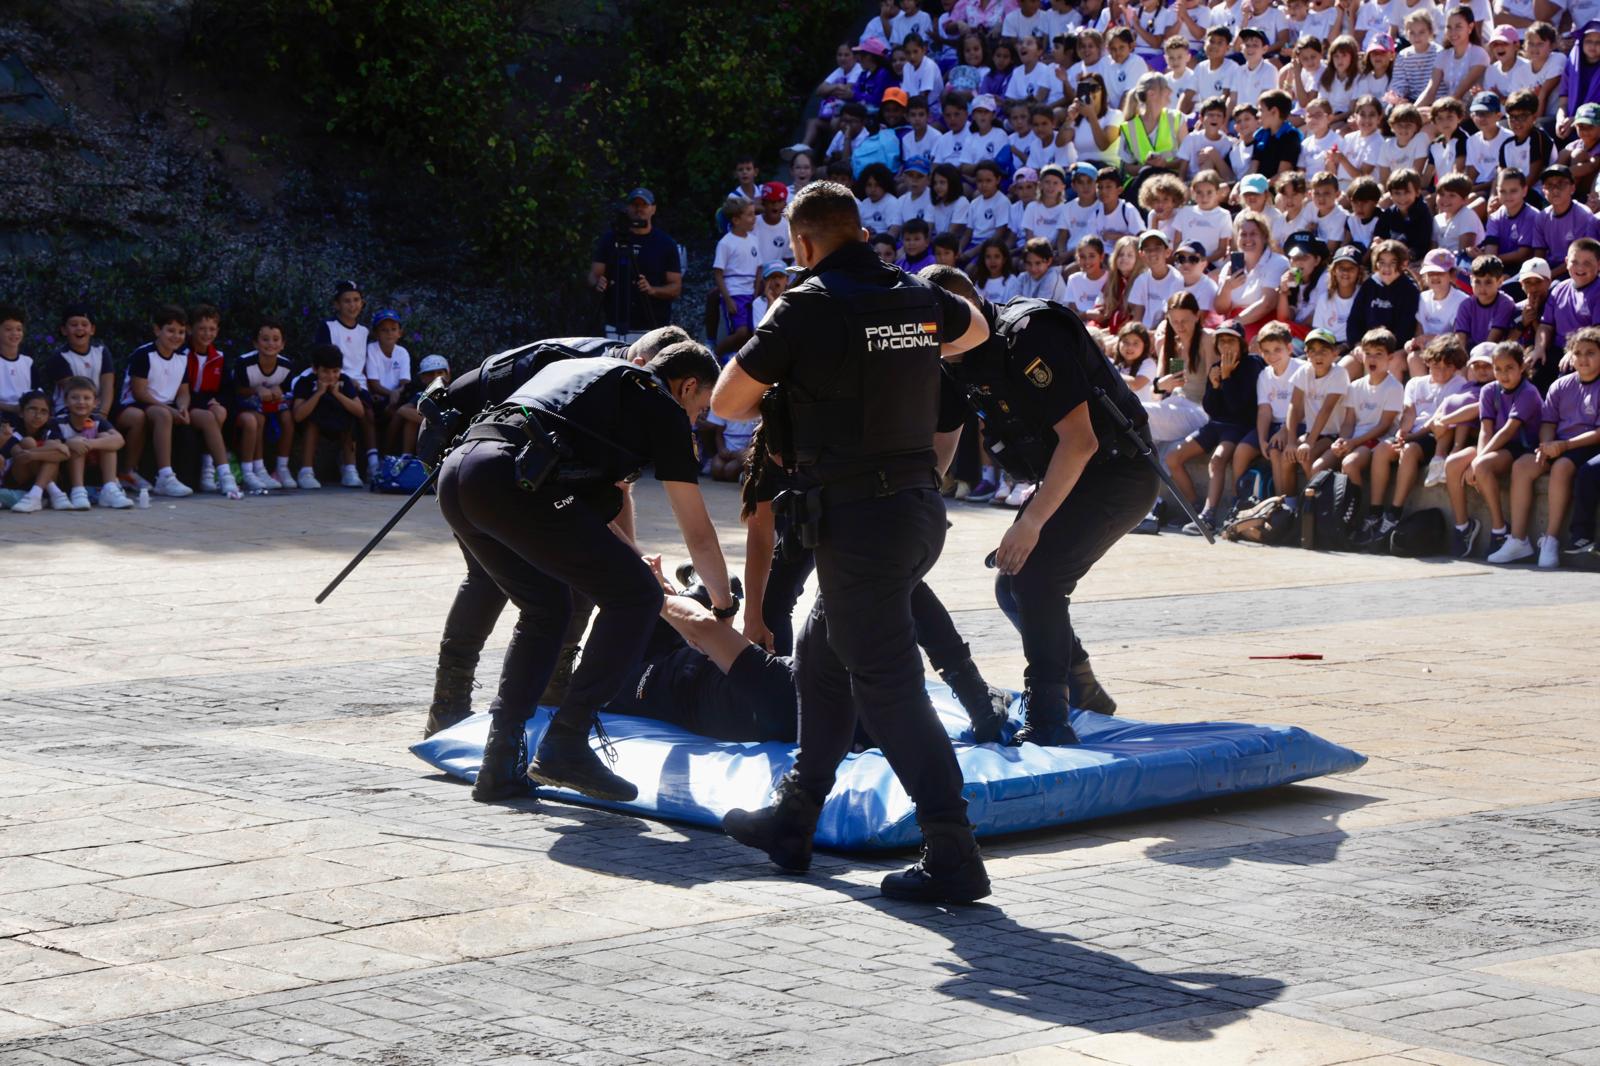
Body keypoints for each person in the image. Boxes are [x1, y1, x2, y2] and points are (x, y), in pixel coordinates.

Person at [709, 180, 993, 904]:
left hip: (862, 521)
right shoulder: (912, 292)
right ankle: (794, 820)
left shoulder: (807, 304)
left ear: (802, 243)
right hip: (915, 511)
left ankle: (952, 852)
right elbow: (980, 330)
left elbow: (725, 402)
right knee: (819, 652)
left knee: (891, 690)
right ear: (858, 228)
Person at [438, 338, 736, 804]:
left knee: (547, 606)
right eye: (699, 409)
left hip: (459, 474)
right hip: (510, 481)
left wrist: (630, 558)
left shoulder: (595, 375)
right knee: (637, 598)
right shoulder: (660, 405)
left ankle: (500, 764)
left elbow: (604, 502)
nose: (696, 421)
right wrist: (723, 604)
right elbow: (697, 531)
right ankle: (568, 741)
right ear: (687, 385)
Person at [415, 328, 692, 740]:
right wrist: (631, 563)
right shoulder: (599, 375)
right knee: (489, 576)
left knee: (579, 564)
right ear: (641, 364)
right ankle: (448, 702)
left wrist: (630, 556)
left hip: (515, 455)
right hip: (459, 440)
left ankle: (552, 683)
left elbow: (613, 493)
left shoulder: (624, 377)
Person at [926, 267, 1157, 731]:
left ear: (966, 307)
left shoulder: (1030, 335)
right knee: (1012, 583)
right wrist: (921, 493)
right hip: (1068, 476)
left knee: (1035, 577)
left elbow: (1081, 442)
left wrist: (1029, 523)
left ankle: (1050, 712)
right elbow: (945, 435)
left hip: (1118, 473)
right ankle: (1083, 686)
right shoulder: (952, 354)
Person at [1491, 327, 1600, 567]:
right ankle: (1518, 539)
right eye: (1578, 353)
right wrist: (1546, 444)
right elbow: (1548, 422)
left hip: (1587, 445)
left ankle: (1550, 539)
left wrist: (1563, 446)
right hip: (1558, 443)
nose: (1583, 358)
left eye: (1590, 353)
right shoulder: (1560, 385)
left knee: (1561, 467)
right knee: (1522, 466)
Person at [115, 304, 195, 498]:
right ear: (157, 330)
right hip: (133, 404)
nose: (176, 336)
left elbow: (183, 392)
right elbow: (139, 392)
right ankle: (165, 477)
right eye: (171, 331)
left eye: (181, 332)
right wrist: (169, 410)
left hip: (163, 407)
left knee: (178, 416)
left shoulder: (182, 358)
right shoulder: (144, 354)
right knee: (161, 414)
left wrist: (183, 408)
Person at [588, 187, 684, 343]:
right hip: (614, 322)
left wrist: (652, 290)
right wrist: (598, 283)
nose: (639, 209)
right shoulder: (611, 239)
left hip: (652, 326)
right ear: (627, 208)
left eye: (644, 205)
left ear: (653, 209)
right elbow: (593, 275)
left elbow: (675, 288)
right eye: (634, 205)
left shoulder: (666, 244)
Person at [311, 281, 380, 480]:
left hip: (358, 382)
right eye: (347, 301)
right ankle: (348, 464)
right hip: (335, 379)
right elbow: (321, 357)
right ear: (337, 304)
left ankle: (373, 463)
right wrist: (343, 378)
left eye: (356, 300)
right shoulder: (328, 327)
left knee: (368, 412)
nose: (352, 305)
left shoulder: (364, 331)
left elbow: (361, 362)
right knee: (349, 409)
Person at [291, 344, 366, 489]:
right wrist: (318, 393)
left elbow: (360, 411)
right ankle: (306, 471)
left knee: (350, 421)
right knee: (312, 424)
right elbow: (298, 416)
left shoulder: (344, 381)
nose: (331, 376)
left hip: (338, 421)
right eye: (325, 371)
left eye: (335, 371)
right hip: (314, 421)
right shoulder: (305, 381)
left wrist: (337, 394)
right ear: (315, 369)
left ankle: (350, 469)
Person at [234, 320, 297, 490]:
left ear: (283, 344)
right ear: (255, 343)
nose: (271, 344)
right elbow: (236, 390)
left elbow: (287, 391)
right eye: (265, 339)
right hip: (246, 405)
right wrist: (256, 389)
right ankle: (257, 469)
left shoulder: (286, 366)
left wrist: (279, 392)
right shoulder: (244, 363)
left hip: (272, 405)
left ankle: (281, 468)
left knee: (287, 417)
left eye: (276, 339)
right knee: (258, 418)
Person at [55, 376, 128, 510]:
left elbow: (119, 440)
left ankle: (110, 488)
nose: (81, 402)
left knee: (106, 437)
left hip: (95, 475)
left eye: (86, 398)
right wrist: (70, 443)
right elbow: (51, 443)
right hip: (67, 478)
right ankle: (78, 491)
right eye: (75, 397)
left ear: (96, 402)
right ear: (66, 401)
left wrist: (90, 443)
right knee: (77, 442)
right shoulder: (59, 421)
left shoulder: (98, 420)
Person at [3, 390, 68, 513]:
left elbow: (64, 455)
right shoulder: (14, 432)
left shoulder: (51, 432)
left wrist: (33, 454)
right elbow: (20, 456)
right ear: (21, 412)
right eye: (32, 409)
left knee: (52, 445)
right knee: (29, 442)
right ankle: (54, 492)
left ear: (49, 416)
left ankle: (36, 494)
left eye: (44, 411)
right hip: (21, 480)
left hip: (45, 480)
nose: (38, 415)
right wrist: (49, 452)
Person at [46, 305, 115, 418]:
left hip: (98, 408)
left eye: (84, 324)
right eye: (74, 325)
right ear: (64, 330)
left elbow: (107, 386)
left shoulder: (101, 351)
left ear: (92, 329)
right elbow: (74, 392)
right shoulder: (59, 357)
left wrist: (103, 413)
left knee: (127, 423)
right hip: (68, 409)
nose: (79, 328)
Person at [0, 306, 36, 420]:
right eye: (8, 329)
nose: (15, 333)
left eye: (19, 329)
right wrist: (13, 408)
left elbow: (37, 391)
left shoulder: (28, 362)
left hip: (27, 413)